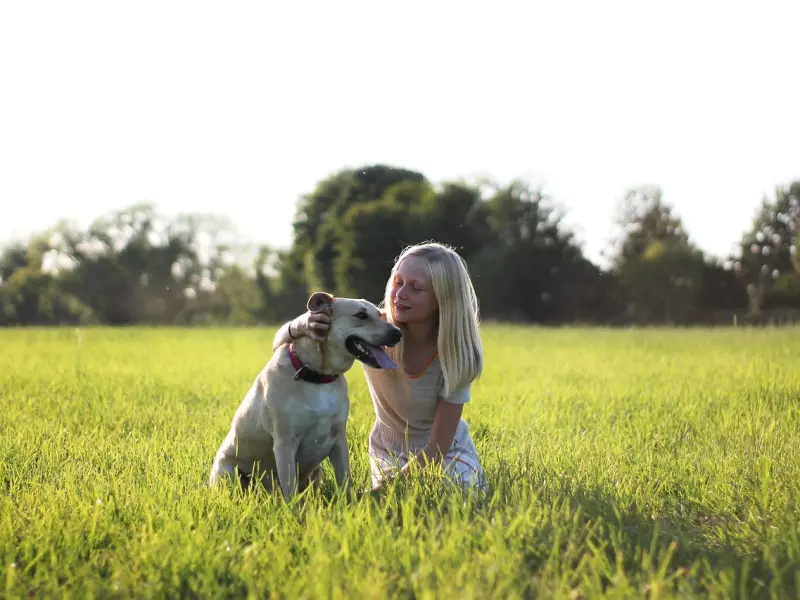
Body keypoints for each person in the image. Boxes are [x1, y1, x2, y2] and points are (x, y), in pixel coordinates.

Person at [271, 242, 487, 494]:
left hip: (446, 451)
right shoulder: (370, 327)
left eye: (415, 288)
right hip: (389, 450)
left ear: (443, 299)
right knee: (399, 501)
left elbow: (438, 447)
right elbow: (280, 343)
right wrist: (302, 324)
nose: (400, 294)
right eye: (397, 282)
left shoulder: (456, 354)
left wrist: (382, 492)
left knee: (454, 492)